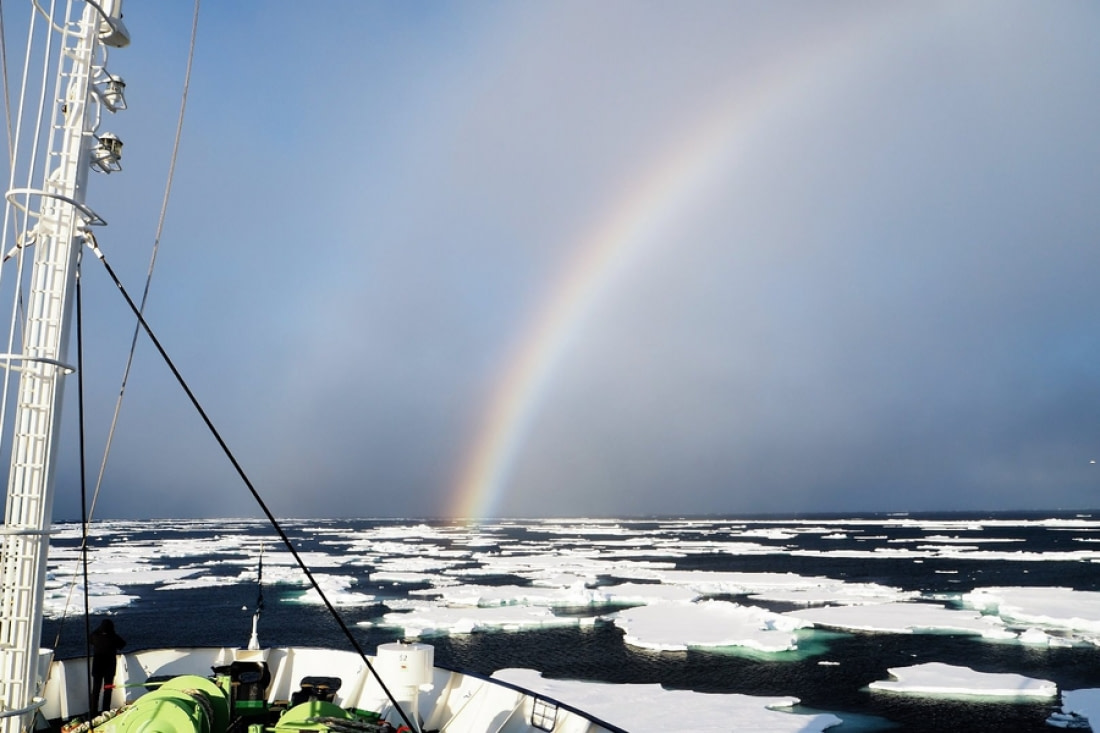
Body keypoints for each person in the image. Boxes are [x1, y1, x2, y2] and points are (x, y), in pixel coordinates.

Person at [89, 619, 125, 715]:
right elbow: (122, 644)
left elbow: (90, 639)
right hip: (109, 668)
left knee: (96, 690)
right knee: (108, 689)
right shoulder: (113, 637)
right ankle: (105, 710)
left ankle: (93, 711)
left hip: (97, 667)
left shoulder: (95, 636)